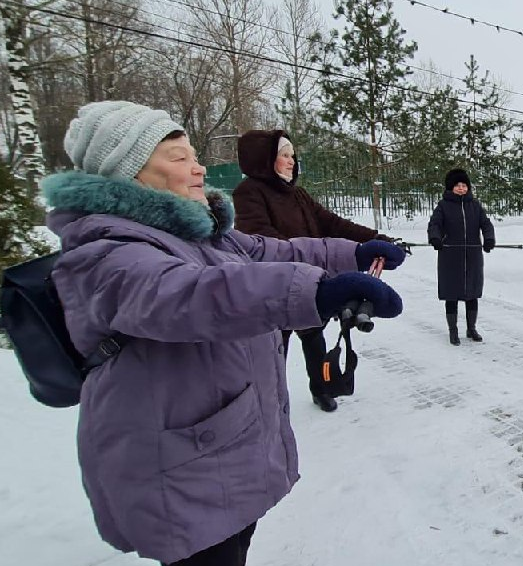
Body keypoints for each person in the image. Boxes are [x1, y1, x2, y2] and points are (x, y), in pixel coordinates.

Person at [42, 101, 405, 565]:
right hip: (175, 464)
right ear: (126, 172)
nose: (198, 169)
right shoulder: (103, 251)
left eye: (193, 156)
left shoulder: (203, 234)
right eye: (178, 158)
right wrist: (317, 292)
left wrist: (352, 254)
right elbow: (188, 294)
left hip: (215, 449)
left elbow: (275, 251)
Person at [232, 130, 397, 413]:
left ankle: (321, 390)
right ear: (265, 159)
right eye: (284, 155)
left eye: (292, 156)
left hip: (308, 285)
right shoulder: (249, 193)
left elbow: (331, 222)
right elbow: (264, 242)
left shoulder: (298, 194)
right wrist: (307, 261)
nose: (291, 161)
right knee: (273, 352)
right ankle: (268, 404)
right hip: (275, 289)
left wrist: (375, 238)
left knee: (314, 341)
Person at [427, 168, 495, 345]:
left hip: (472, 256)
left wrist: (489, 239)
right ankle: (453, 330)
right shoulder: (443, 206)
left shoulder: (475, 205)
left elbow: (486, 224)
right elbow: (435, 224)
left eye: (464, 185)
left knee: (472, 293)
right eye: (457, 185)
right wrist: (435, 238)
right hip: (450, 256)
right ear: (451, 188)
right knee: (452, 294)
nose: (461, 188)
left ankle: (471, 328)